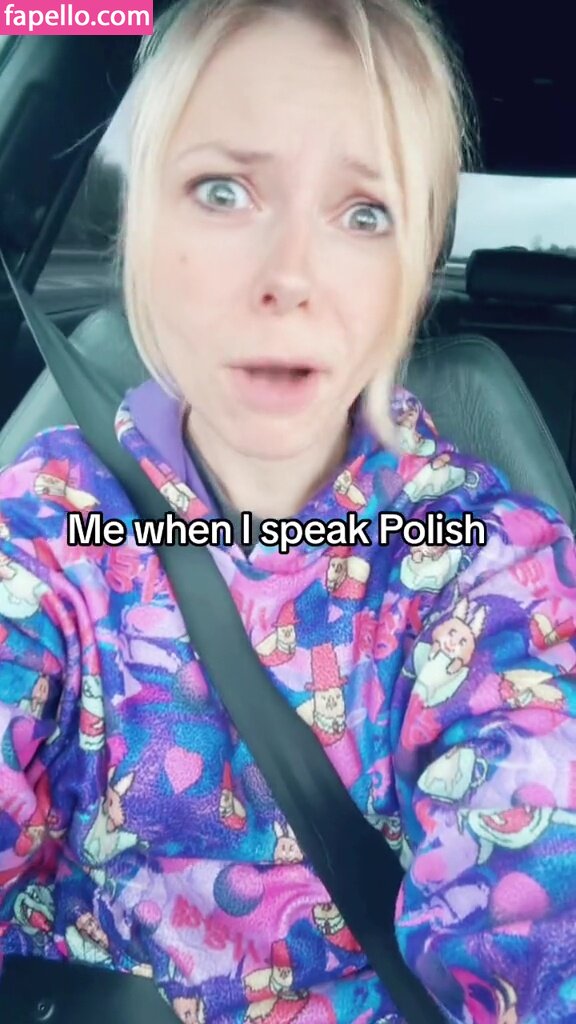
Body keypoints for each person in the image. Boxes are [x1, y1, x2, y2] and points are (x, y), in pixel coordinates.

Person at [0, 1, 575, 1021]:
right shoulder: (47, 520)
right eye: (223, 191)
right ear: (143, 230)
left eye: (365, 213)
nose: (290, 276)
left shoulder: (493, 572)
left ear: (411, 268)